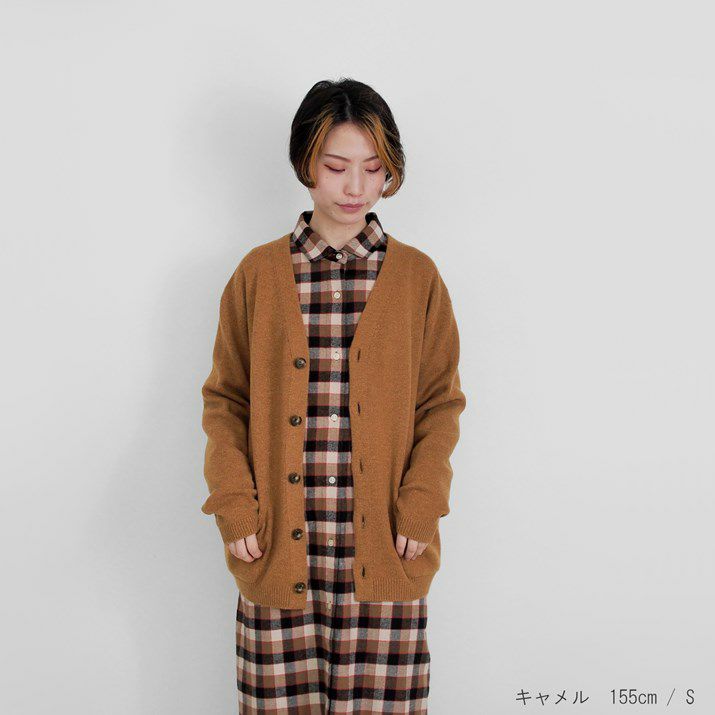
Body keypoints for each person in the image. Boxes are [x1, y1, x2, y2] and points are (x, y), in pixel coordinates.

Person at [200, 77, 467, 714]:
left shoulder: (418, 277)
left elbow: (440, 404)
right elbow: (226, 401)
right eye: (336, 166)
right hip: (277, 553)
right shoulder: (258, 274)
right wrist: (235, 504)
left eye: (373, 169)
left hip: (386, 552)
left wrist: (422, 504)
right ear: (305, 164)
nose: (355, 187)